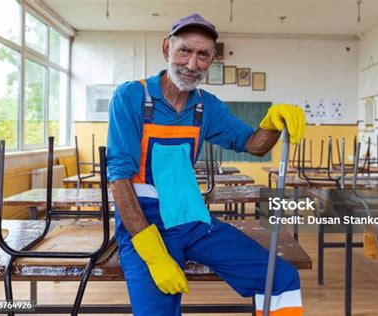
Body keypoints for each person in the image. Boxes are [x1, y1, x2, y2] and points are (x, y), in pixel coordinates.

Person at [107, 13, 306, 316]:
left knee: (280, 278)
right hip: (145, 226)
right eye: (184, 50)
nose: (191, 63)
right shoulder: (132, 96)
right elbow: (119, 178)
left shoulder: (206, 106)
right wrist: (152, 252)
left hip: (192, 220)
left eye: (203, 55)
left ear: (211, 59)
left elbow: (253, 144)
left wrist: (271, 122)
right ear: (166, 49)